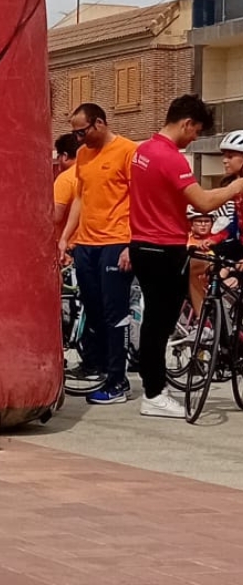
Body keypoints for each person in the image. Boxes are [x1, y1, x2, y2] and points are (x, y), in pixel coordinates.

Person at [128, 95, 243, 418]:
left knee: (156, 321)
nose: (194, 138)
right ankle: (153, 393)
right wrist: (237, 187)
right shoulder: (170, 158)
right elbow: (204, 202)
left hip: (143, 243)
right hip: (163, 247)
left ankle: (157, 388)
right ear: (186, 123)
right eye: (195, 132)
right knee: (158, 324)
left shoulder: (142, 152)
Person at [58, 103, 137, 405]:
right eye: (74, 133)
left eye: (82, 132)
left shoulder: (128, 151)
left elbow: (139, 198)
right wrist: (65, 237)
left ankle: (119, 380)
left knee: (114, 310)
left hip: (116, 240)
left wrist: (132, 242)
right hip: (86, 243)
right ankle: (102, 366)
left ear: (100, 123)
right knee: (91, 305)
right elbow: (80, 196)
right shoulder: (83, 156)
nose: (78, 138)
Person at [53, 132, 80, 239]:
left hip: (72, 244)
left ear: (65, 156)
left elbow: (56, 216)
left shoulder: (65, 179)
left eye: (58, 156)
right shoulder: (93, 172)